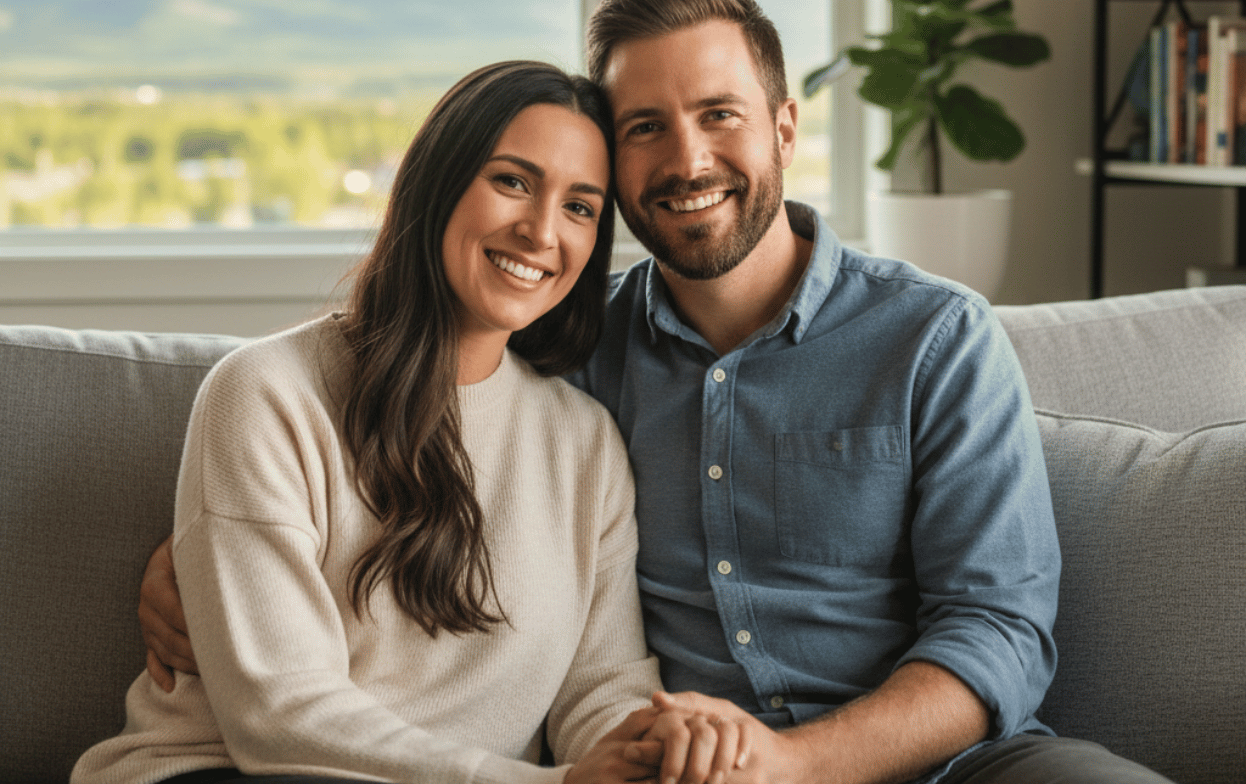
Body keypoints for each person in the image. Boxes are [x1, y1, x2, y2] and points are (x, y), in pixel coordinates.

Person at [139, 2, 1178, 783]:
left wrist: (790, 764)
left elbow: (996, 629)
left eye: (718, 114)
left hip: (940, 766)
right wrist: (203, 554)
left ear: (782, 124)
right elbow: (400, 410)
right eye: (643, 128)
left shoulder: (934, 337)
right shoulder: (575, 354)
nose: (686, 159)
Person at [73, 60, 748, 784]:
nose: (540, 231)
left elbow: (600, 687)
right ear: (439, 182)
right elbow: (279, 715)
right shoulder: (267, 393)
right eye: (512, 181)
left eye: (580, 207)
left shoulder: (584, 442)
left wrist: (656, 746)